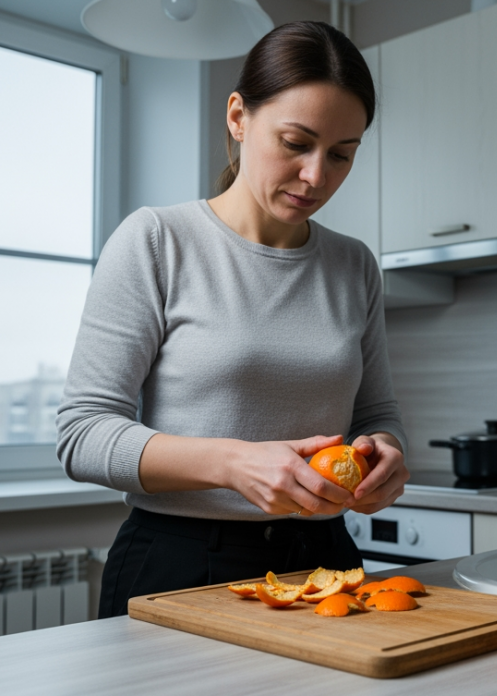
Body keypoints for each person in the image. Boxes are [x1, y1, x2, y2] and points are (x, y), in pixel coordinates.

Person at [56, 21, 408, 619]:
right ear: (238, 117)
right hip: (180, 563)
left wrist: (387, 453)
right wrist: (233, 464)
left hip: (326, 566)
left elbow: (375, 415)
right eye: (296, 142)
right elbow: (82, 434)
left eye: (341, 155)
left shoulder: (354, 265)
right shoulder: (157, 241)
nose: (317, 176)